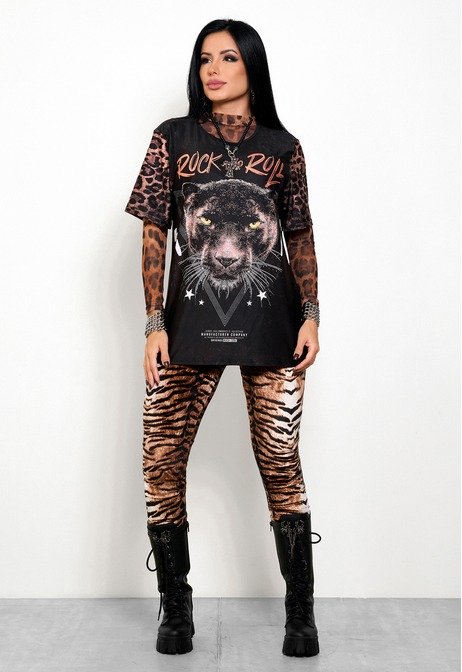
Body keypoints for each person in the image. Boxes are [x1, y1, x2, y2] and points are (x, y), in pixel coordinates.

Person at [124, 18, 322, 658]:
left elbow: (300, 233)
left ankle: (300, 612)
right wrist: (153, 322)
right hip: (185, 324)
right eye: (205, 58)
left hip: (272, 320)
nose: (214, 69)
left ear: (251, 66)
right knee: (160, 458)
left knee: (281, 461)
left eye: (229, 58)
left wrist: (312, 313)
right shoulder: (171, 138)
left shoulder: (283, 147)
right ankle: (176, 606)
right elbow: (153, 230)